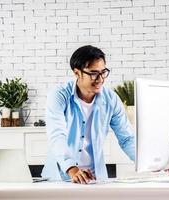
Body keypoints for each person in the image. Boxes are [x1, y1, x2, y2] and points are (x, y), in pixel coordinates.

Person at [41, 45, 135, 184]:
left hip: (95, 179)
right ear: (77, 73)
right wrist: (72, 169)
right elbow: (57, 135)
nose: (100, 79)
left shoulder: (111, 99)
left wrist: (150, 164)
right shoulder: (59, 96)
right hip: (60, 178)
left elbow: (127, 138)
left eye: (103, 72)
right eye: (93, 73)